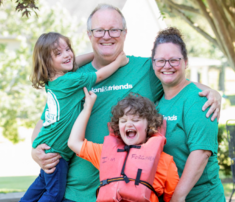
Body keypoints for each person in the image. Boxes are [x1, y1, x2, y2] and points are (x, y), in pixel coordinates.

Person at [30, 4, 222, 202]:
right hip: (75, 193)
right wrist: (35, 151)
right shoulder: (73, 78)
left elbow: (176, 79)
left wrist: (213, 92)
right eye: (99, 30)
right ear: (89, 34)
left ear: (124, 33)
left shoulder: (145, 69)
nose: (107, 35)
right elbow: (48, 119)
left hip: (126, 194)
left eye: (114, 29)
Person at [20, 32, 128, 202]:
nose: (67, 55)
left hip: (49, 145)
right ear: (48, 62)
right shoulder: (70, 81)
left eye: (68, 49)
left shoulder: (54, 80)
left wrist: (96, 54)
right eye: (58, 53)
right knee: (54, 194)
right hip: (57, 152)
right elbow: (99, 75)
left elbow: (75, 61)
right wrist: (118, 62)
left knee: (41, 184)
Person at [151, 27, 225, 202]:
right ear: (153, 63)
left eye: (174, 60)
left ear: (185, 62)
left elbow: (201, 153)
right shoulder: (158, 102)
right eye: (160, 60)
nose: (167, 66)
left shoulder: (200, 100)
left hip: (201, 197)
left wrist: (178, 196)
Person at [68, 89, 179, 202]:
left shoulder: (165, 162)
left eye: (135, 120)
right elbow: (74, 142)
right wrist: (87, 107)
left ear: (149, 125)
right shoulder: (104, 153)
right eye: (123, 121)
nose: (129, 124)